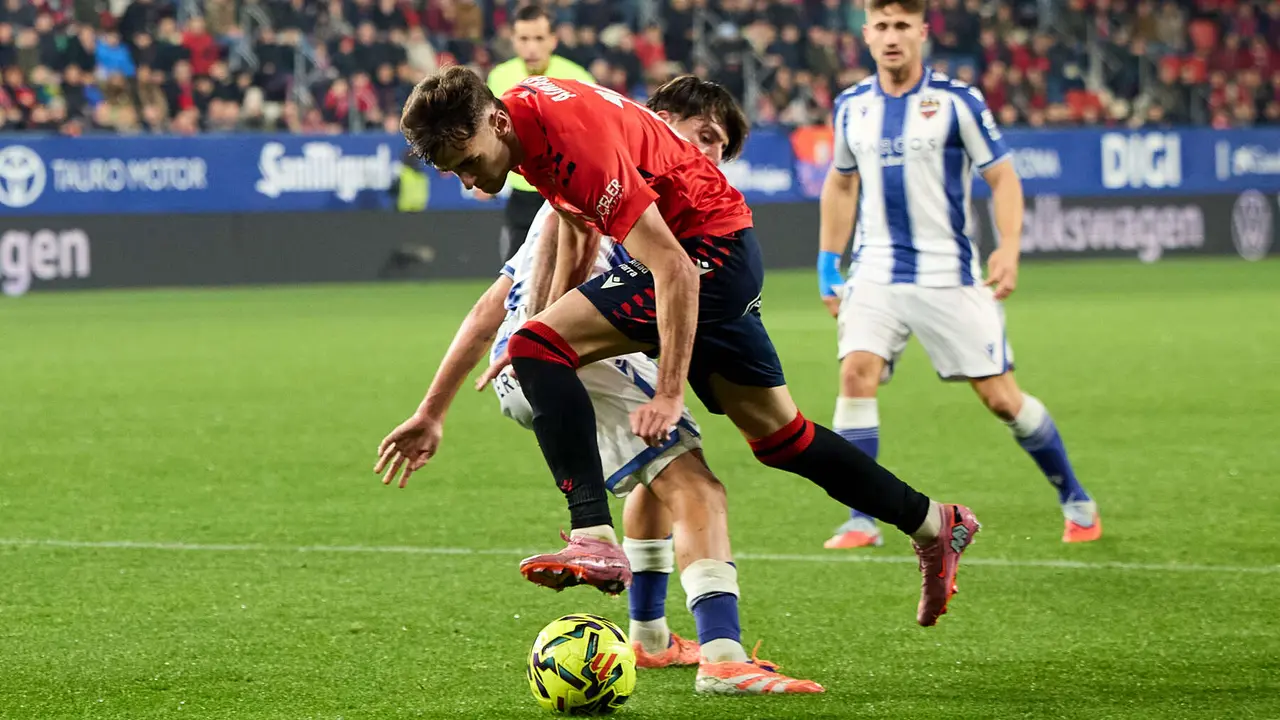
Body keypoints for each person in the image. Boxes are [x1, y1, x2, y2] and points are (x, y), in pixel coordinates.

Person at [378, 67, 980, 633]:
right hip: (727, 251)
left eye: (469, 162)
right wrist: (553, 327)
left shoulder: (571, 144)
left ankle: (593, 534)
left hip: (703, 260)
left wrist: (665, 392)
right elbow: (580, 224)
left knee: (535, 345)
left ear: (496, 125)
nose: (468, 181)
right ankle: (934, 522)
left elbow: (673, 268)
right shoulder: (527, 113)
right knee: (783, 438)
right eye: (454, 172)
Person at [375, 77, 821, 694]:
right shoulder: (594, 177)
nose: (708, 158)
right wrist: (551, 351)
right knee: (696, 487)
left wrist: (435, 411)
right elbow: (505, 305)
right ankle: (722, 657)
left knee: (659, 474)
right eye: (703, 140)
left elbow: (501, 308)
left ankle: (651, 639)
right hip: (557, 362)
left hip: (551, 356)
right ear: (661, 123)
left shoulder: (566, 174)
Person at [816, 0, 1101, 550]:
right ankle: (859, 518)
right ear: (867, 36)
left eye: (902, 26)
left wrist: (1010, 247)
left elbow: (1004, 178)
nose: (891, 37)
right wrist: (830, 265)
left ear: (922, 32)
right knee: (856, 374)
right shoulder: (851, 106)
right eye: (881, 27)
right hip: (875, 271)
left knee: (1001, 399)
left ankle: (1075, 497)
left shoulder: (957, 101)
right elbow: (841, 183)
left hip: (949, 273)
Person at [486, 4, 594, 263]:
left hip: (568, 195)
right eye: (524, 39)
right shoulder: (500, 77)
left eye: (538, 38)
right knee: (514, 283)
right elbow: (491, 135)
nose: (531, 47)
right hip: (523, 193)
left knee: (569, 281)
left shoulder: (578, 78)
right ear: (513, 40)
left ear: (553, 40)